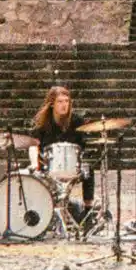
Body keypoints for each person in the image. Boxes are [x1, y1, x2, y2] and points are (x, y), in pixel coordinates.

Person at [30, 86, 95, 218]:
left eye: (67, 101)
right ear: (52, 103)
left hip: (72, 166)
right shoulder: (43, 123)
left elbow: (83, 146)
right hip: (48, 167)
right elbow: (32, 145)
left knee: (89, 171)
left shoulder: (77, 121)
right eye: (60, 101)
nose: (64, 105)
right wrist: (34, 164)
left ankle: (88, 212)